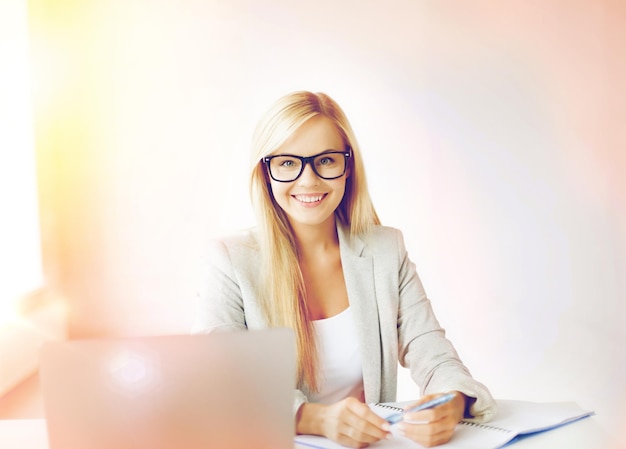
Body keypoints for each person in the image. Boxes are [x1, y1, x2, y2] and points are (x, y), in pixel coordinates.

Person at [193, 91, 496, 448]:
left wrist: (451, 401)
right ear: (266, 171)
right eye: (288, 163)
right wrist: (314, 419)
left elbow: (431, 350)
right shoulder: (230, 261)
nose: (309, 181)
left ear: (348, 166)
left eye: (326, 160)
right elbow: (220, 382)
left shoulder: (386, 250)